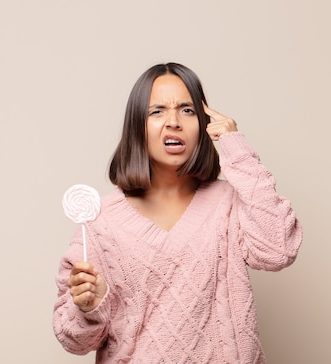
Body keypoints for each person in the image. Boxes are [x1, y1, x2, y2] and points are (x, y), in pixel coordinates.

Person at [53, 62, 303, 363]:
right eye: (157, 111)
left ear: (203, 122)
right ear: (137, 126)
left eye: (187, 110)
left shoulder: (230, 204)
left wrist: (236, 149)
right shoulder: (99, 220)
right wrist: (90, 306)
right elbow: (74, 341)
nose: (174, 121)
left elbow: (279, 250)